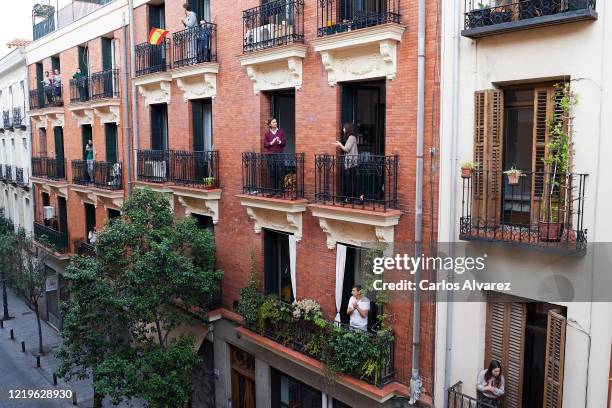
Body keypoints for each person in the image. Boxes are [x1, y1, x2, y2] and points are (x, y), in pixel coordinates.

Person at [334, 123, 359, 203]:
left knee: (350, 182)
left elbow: (346, 149)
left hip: (351, 164)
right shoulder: (351, 137)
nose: (343, 129)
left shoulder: (351, 138)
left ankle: (352, 198)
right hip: (351, 163)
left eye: (344, 128)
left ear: (347, 129)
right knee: (350, 182)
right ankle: (351, 198)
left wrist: (339, 144)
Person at [263, 118, 286, 196]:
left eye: (276, 122)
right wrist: (271, 143)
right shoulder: (267, 133)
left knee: (280, 173)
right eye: (274, 122)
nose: (275, 123)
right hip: (271, 155)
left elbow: (284, 143)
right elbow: (265, 145)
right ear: (270, 124)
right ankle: (272, 191)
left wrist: (279, 141)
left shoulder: (280, 132)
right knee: (272, 173)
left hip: (279, 155)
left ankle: (280, 191)